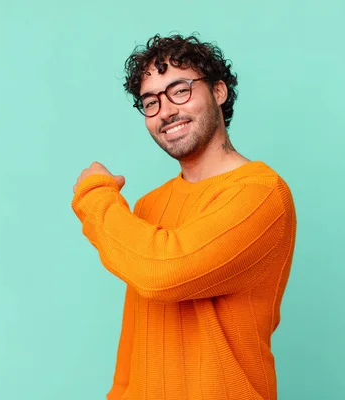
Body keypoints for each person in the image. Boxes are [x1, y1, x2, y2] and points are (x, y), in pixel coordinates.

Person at [71, 34, 297, 400]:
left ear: (219, 91)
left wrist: (95, 196)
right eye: (151, 102)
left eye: (180, 90)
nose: (166, 110)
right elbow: (134, 347)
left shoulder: (261, 194)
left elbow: (164, 271)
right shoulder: (147, 206)